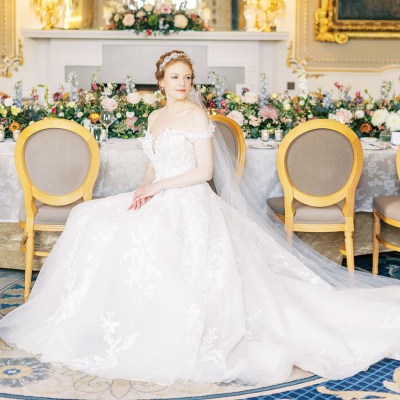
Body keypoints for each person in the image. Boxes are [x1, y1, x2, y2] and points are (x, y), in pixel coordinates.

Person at [2, 49, 400, 385]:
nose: (181, 83)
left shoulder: (195, 116)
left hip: (188, 200)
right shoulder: (155, 118)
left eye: (187, 77)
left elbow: (204, 173)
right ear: (160, 81)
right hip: (157, 195)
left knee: (144, 241)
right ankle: (93, 319)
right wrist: (142, 190)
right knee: (90, 217)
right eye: (174, 77)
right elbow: (151, 166)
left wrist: (158, 189)